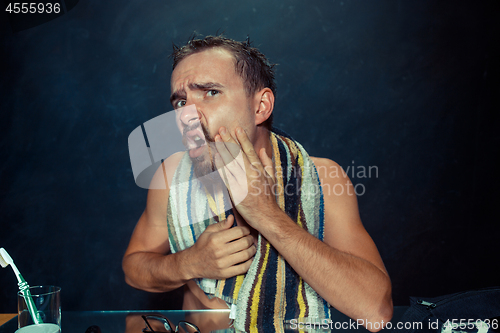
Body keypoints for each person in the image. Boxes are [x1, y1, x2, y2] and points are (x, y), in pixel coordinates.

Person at [123, 35, 392, 332]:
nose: (188, 115)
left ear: (261, 106)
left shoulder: (322, 178)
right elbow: (134, 267)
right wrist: (189, 263)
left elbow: (375, 309)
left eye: (211, 92)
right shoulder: (172, 174)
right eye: (181, 101)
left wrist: (266, 214)